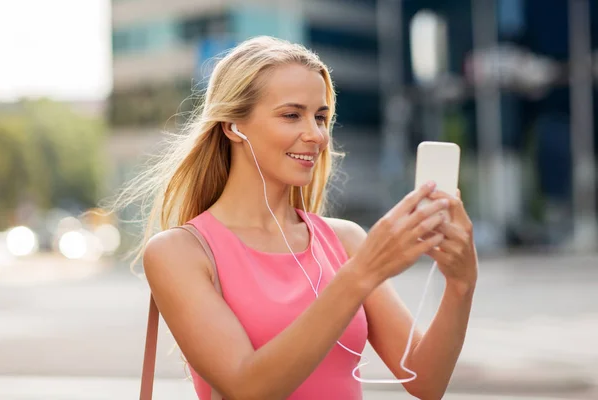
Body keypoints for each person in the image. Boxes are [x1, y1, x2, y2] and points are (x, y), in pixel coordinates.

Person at [122, 36, 478, 399]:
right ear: (232, 126)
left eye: (321, 117)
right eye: (292, 115)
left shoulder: (344, 240)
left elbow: (426, 381)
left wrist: (461, 284)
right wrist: (362, 273)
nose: (317, 135)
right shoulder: (180, 252)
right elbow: (247, 387)